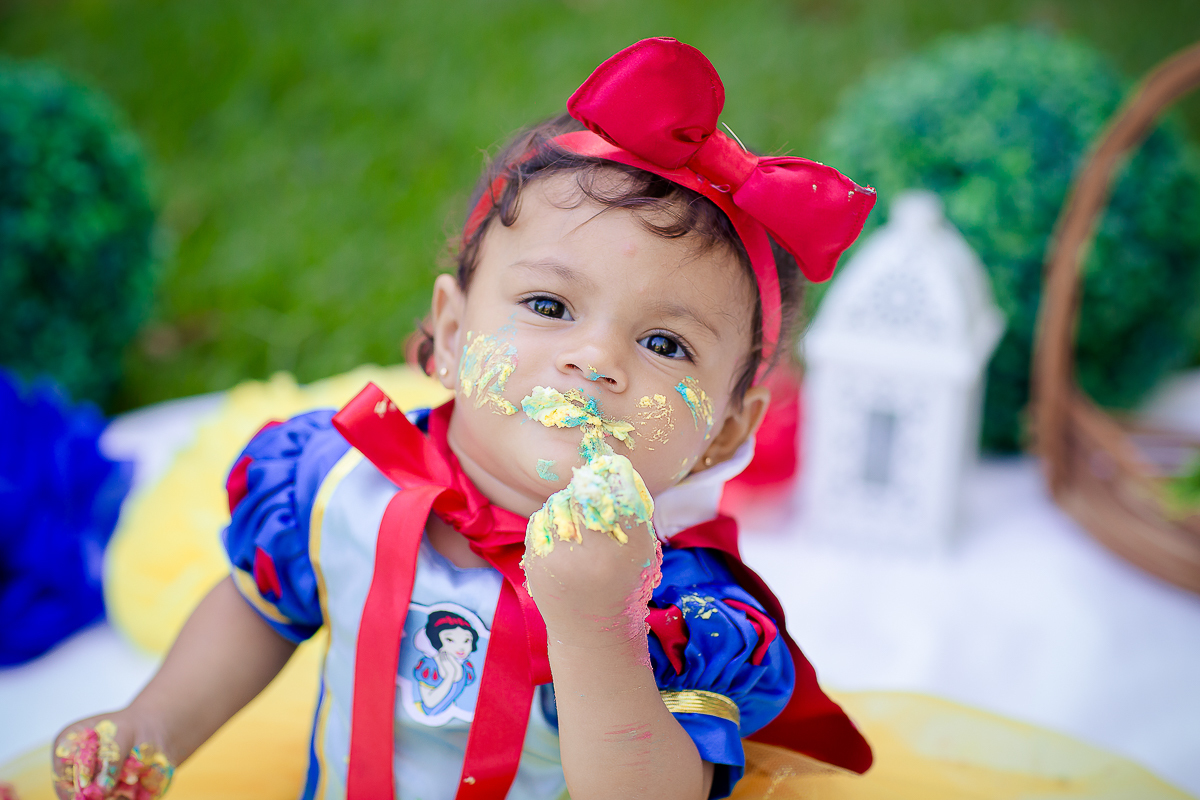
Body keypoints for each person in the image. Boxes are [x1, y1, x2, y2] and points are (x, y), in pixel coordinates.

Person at [53, 37, 877, 800]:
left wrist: (601, 628)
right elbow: (257, 610)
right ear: (449, 335)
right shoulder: (342, 480)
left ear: (728, 434)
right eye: (550, 304)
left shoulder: (679, 606)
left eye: (664, 342)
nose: (595, 359)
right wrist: (154, 723)